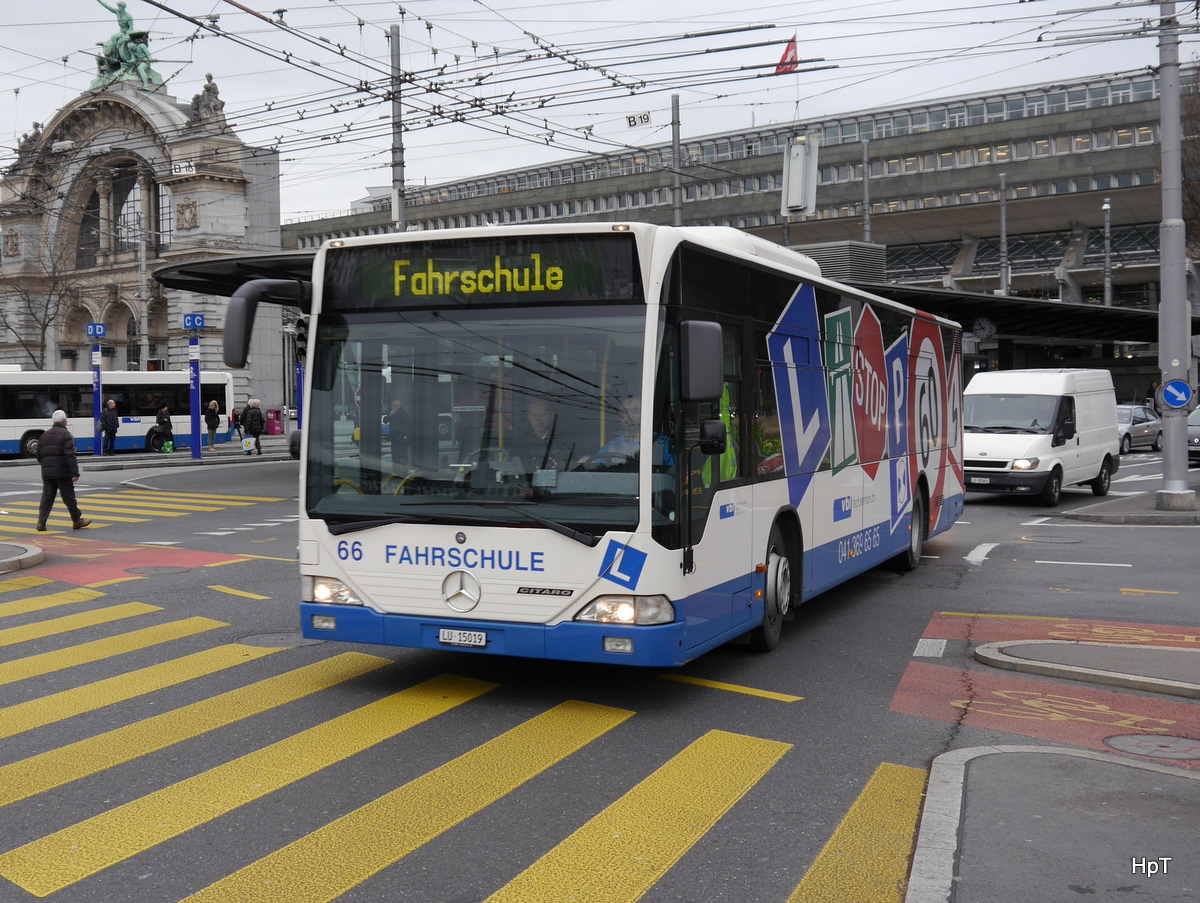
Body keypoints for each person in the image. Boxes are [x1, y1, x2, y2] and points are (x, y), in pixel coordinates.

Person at [35, 411, 91, 531]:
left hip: (47, 473)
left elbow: (39, 455)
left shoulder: (44, 435)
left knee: (47, 498)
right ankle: (77, 521)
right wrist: (75, 472)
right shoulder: (66, 435)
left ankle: (41, 523)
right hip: (62, 473)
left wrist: (46, 466)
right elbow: (70, 455)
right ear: (64, 421)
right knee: (69, 497)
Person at [511, 396, 574, 472]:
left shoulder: (563, 441)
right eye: (533, 415)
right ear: (528, 416)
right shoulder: (521, 442)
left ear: (552, 416)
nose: (538, 420)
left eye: (543, 415)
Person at [382, 397, 411, 471]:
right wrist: (390, 415)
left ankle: (405, 470)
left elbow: (408, 426)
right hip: (394, 438)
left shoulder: (404, 414)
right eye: (392, 405)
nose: (393, 406)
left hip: (401, 438)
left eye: (394, 405)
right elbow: (385, 421)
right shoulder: (392, 414)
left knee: (403, 454)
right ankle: (396, 470)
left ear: (399, 405)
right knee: (395, 455)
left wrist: (406, 436)